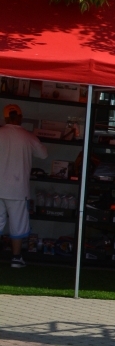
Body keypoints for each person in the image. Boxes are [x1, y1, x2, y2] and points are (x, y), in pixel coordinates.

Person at [0, 104, 47, 269]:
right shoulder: (28, 136)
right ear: (20, 117)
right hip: (18, 189)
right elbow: (43, 154)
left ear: (5, 118)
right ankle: (16, 258)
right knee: (17, 224)